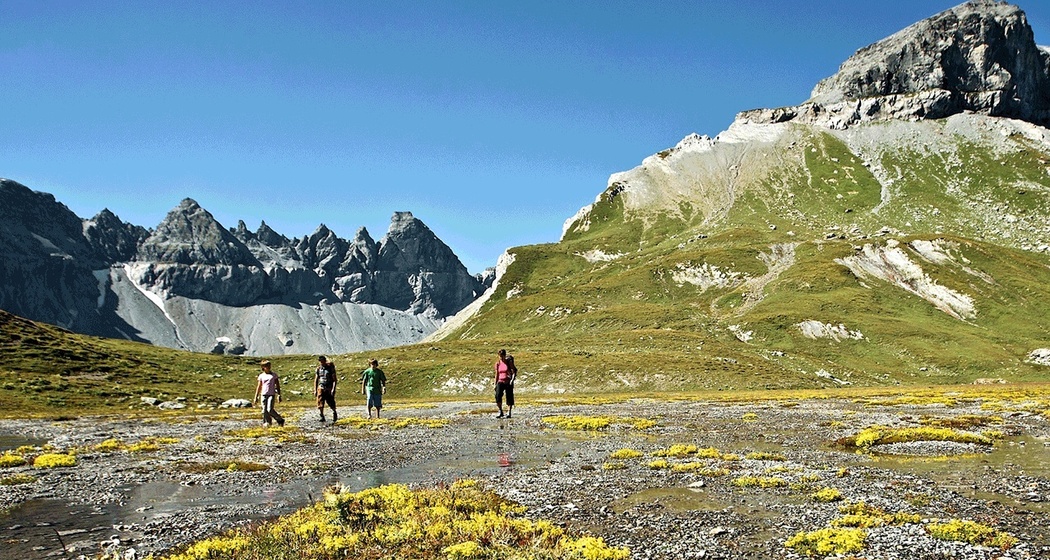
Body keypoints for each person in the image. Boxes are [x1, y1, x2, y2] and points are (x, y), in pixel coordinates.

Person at [253, 360, 285, 427]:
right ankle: (267, 423)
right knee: (264, 410)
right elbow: (259, 386)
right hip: (263, 394)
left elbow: (277, 385)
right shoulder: (261, 376)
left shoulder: (274, 375)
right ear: (263, 367)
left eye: (269, 365)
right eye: (267, 366)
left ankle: (279, 419)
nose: (268, 367)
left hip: (271, 394)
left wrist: (279, 395)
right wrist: (256, 397)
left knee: (269, 409)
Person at [494, 349, 517, 418]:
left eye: (502, 356)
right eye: (500, 356)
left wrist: (512, 380)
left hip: (508, 381)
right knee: (498, 396)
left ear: (504, 355)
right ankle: (500, 411)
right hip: (500, 381)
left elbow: (514, 371)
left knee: (509, 397)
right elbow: (497, 374)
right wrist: (495, 384)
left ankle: (509, 412)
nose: (501, 358)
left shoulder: (508, 363)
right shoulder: (498, 364)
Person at [314, 355, 338, 423]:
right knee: (320, 401)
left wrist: (333, 388)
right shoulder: (318, 369)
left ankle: (334, 412)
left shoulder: (330, 368)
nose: (322, 363)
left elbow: (334, 379)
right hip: (321, 387)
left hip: (329, 388)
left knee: (330, 401)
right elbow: (316, 379)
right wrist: (315, 389)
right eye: (320, 362)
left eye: (323, 361)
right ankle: (321, 415)